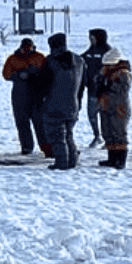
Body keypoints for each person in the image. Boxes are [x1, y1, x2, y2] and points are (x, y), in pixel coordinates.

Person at [39, 32, 86, 170]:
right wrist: (78, 102)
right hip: (73, 104)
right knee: (69, 135)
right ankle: (72, 161)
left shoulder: (50, 61)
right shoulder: (79, 60)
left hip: (53, 104)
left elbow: (43, 84)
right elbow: (83, 85)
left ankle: (61, 162)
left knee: (57, 136)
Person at [1, 37, 47, 155]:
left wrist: (35, 74)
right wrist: (18, 75)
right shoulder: (13, 59)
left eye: (29, 47)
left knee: (40, 122)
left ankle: (46, 146)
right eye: (25, 47)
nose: (26, 50)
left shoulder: (39, 57)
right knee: (22, 122)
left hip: (36, 93)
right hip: (19, 94)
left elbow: (46, 73)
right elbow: (6, 74)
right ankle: (27, 147)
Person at [96, 47, 132, 168]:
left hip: (119, 107)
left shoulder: (123, 73)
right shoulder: (105, 70)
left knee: (119, 133)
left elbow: (122, 90)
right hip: (106, 105)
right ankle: (112, 158)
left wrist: (108, 84)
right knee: (107, 132)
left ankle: (120, 160)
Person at [81, 28, 110, 148]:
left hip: (104, 91)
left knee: (105, 116)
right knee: (91, 114)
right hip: (92, 90)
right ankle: (97, 136)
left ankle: (107, 138)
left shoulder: (108, 51)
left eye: (92, 37)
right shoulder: (89, 52)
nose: (90, 40)